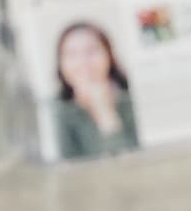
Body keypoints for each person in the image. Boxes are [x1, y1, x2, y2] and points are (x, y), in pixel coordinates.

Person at [47, 19, 137, 157]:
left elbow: (131, 163)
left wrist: (104, 111)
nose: (82, 62)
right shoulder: (56, 110)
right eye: (71, 54)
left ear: (109, 56)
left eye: (91, 51)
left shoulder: (132, 100)